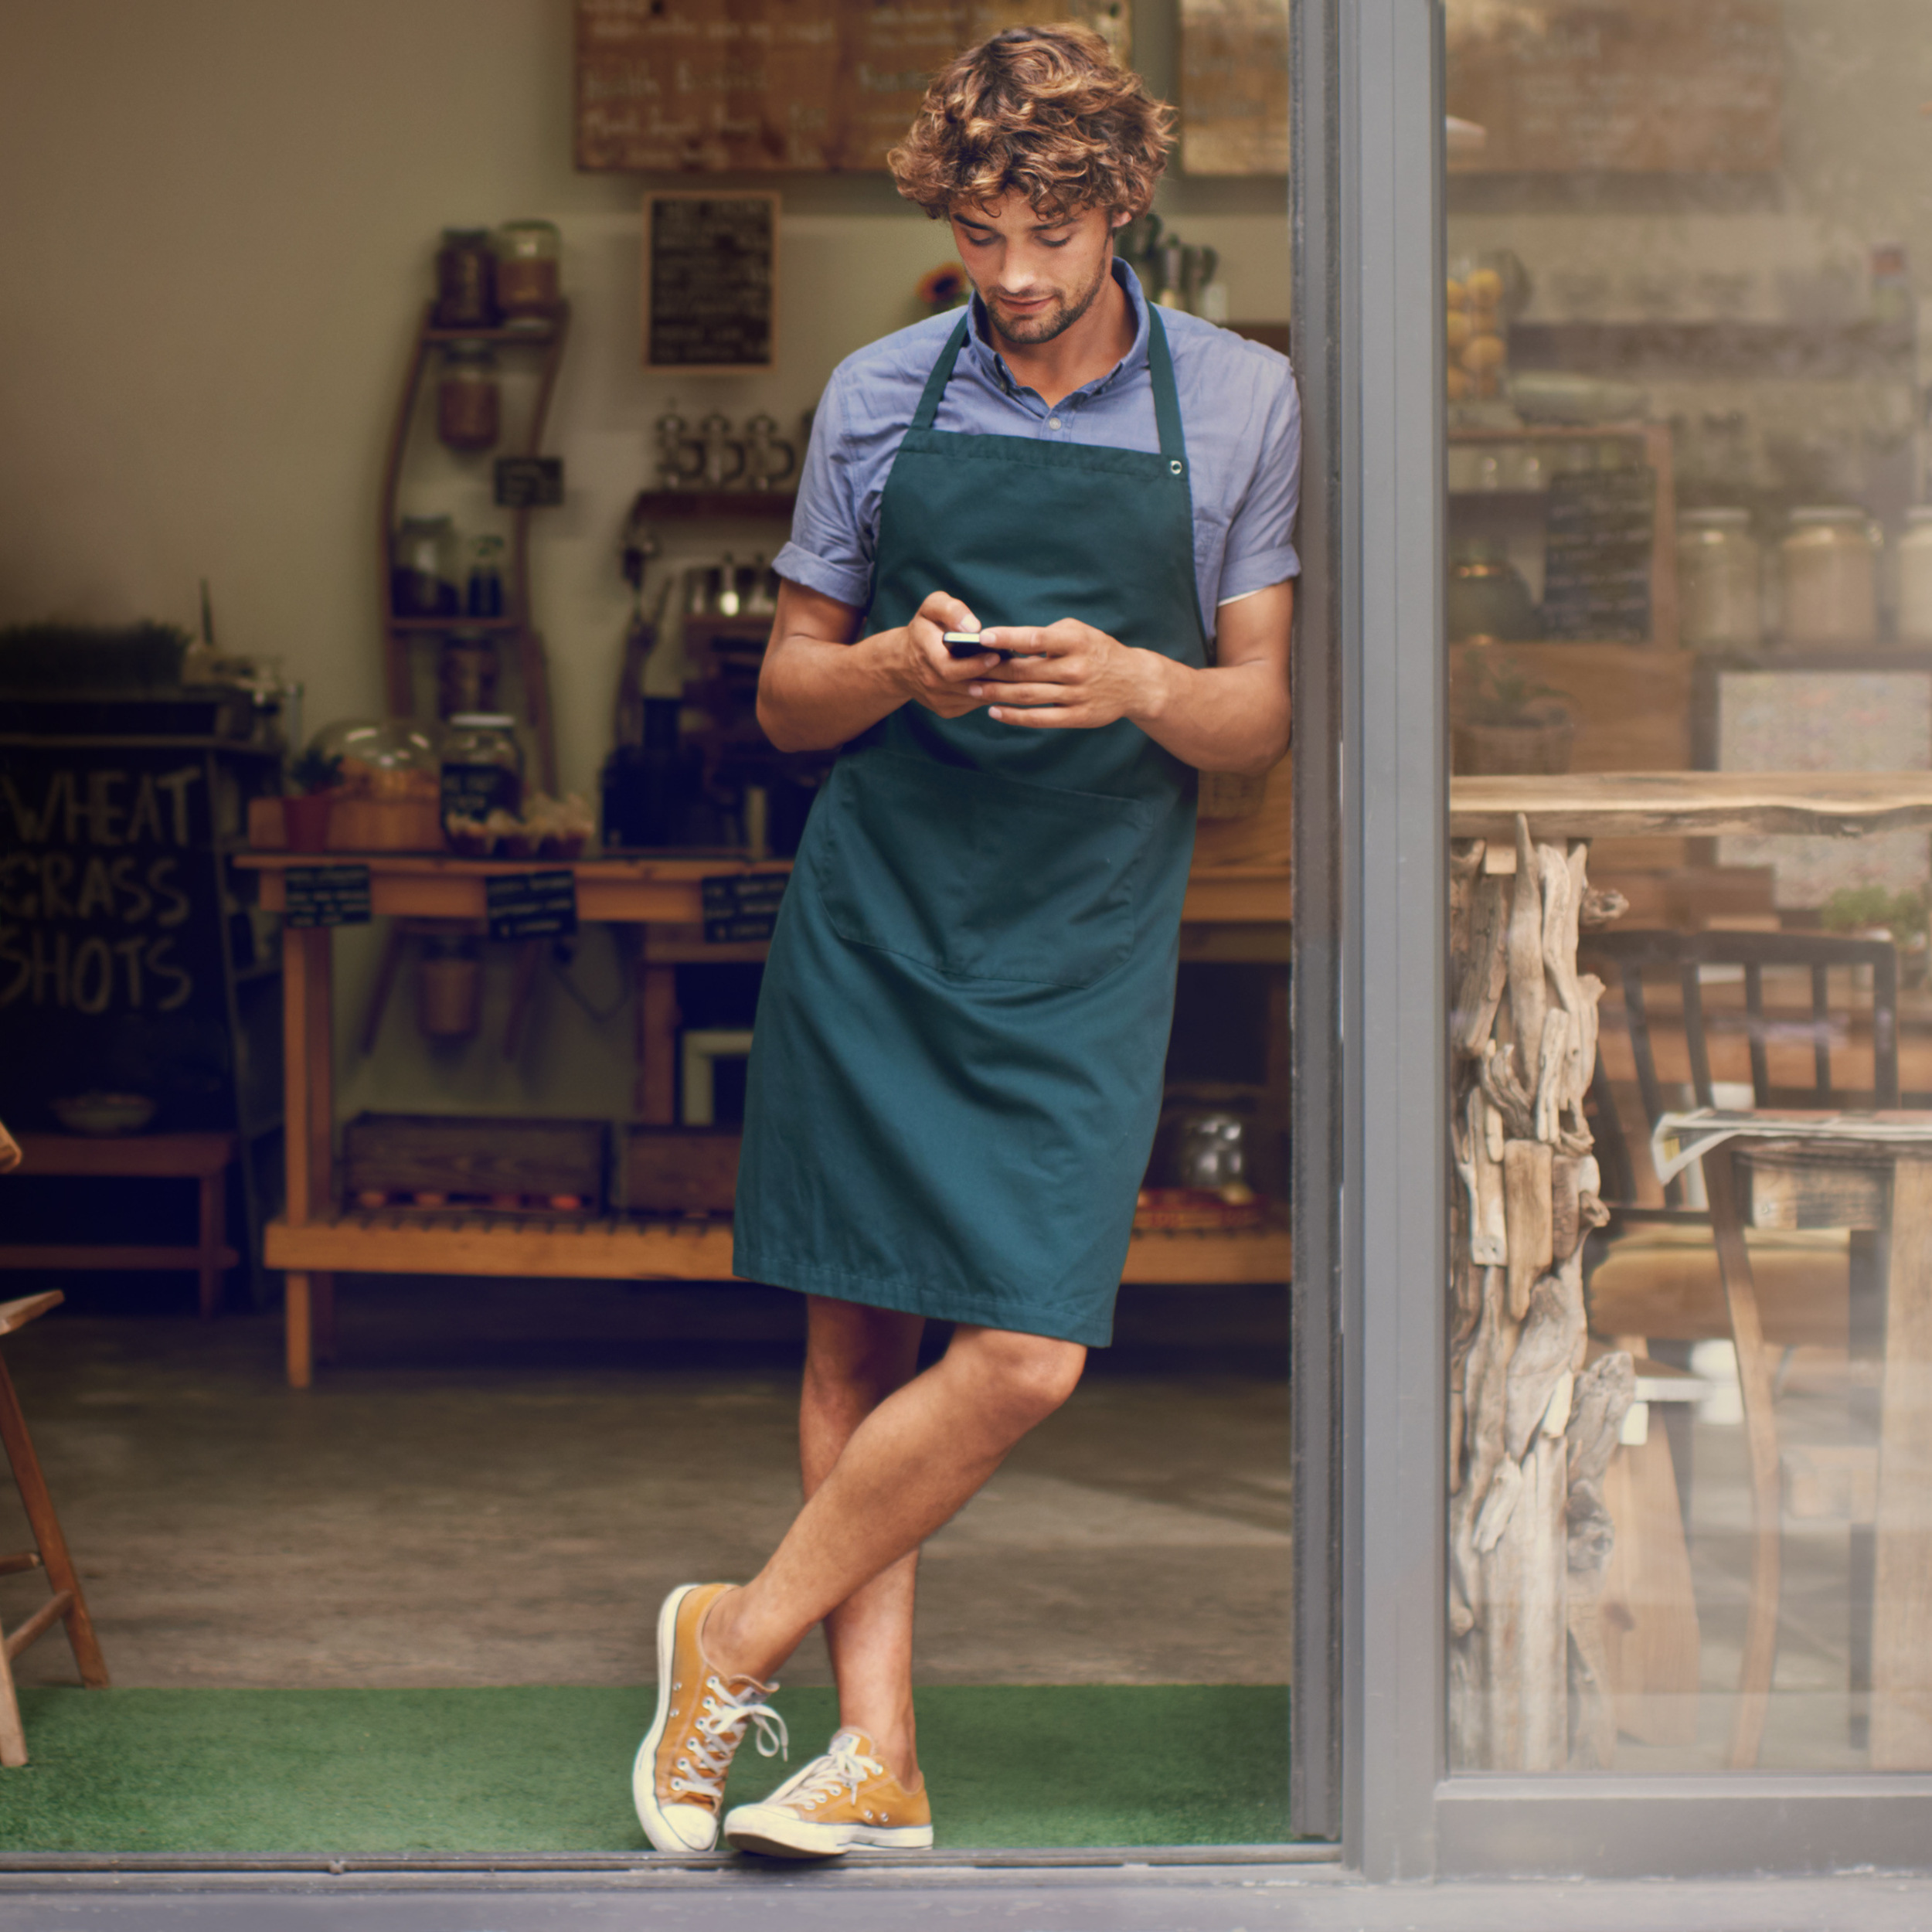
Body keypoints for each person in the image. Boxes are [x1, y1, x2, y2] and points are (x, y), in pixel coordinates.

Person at [633, 21, 1300, 1861]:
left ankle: (731, 1633)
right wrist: (891, 666)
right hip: (883, 909)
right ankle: (871, 1756)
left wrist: (1144, 678)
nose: (1012, 280)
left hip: (1085, 929)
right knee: (853, 1336)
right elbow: (782, 699)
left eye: (1051, 240)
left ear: (1122, 211)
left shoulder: (1238, 401)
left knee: (1020, 1349)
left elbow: (1253, 720)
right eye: (983, 236)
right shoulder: (874, 393)